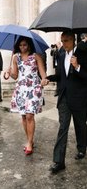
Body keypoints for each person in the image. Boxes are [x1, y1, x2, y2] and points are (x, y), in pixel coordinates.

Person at [47, 31, 87, 174]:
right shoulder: (61, 54)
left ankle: (82, 148)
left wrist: (77, 67)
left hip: (79, 98)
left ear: (74, 40)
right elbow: (60, 76)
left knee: (80, 125)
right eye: (62, 41)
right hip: (64, 97)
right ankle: (59, 161)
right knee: (63, 128)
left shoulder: (83, 53)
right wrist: (49, 78)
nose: (64, 44)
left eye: (67, 41)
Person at [6, 36, 48, 156]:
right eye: (20, 45)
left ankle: (29, 143)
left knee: (30, 116)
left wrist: (45, 79)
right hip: (21, 89)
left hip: (34, 88)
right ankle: (30, 140)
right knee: (24, 117)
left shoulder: (36, 56)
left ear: (29, 45)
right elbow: (15, 75)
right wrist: (9, 73)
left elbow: (42, 73)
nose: (22, 47)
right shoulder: (16, 57)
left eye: (24, 45)